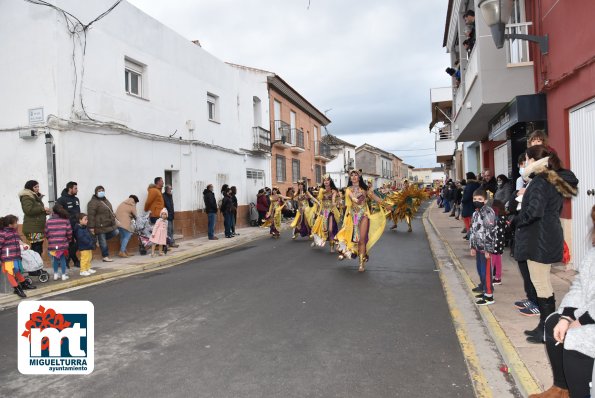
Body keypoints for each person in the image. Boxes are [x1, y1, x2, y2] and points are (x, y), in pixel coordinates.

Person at [514, 145, 579, 344]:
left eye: (527, 159)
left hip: (538, 240)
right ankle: (545, 325)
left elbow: (534, 211)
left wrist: (515, 221)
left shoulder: (541, 180)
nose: (525, 164)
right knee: (542, 284)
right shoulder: (551, 178)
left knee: (541, 284)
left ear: (533, 160)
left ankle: (548, 329)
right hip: (545, 237)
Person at [529, 205, 595, 398]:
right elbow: (580, 286)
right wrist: (567, 317)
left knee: (578, 339)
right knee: (552, 322)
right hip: (590, 312)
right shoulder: (592, 255)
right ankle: (561, 389)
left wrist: (581, 321)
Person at [336, 170, 387, 272]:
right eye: (352, 175)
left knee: (362, 239)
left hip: (363, 215)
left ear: (359, 177)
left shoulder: (365, 189)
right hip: (352, 218)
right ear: (350, 178)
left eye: (356, 175)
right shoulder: (348, 190)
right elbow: (353, 198)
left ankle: (361, 263)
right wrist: (359, 196)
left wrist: (387, 206)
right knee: (352, 238)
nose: (354, 177)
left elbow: (375, 198)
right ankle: (347, 252)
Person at [469, 189, 497, 305]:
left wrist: (488, 249)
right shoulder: (475, 213)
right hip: (478, 247)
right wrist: (472, 246)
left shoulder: (488, 213)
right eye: (475, 199)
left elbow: (490, 232)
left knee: (486, 272)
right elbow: (473, 230)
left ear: (485, 200)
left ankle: (489, 296)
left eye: (479, 199)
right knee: (480, 270)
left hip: (486, 248)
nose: (477, 201)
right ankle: (485, 289)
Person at [0, 215, 36, 297]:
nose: (17, 224)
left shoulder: (14, 231)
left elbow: (18, 241)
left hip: (16, 255)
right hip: (7, 256)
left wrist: (23, 245)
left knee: (17, 270)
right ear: (10, 224)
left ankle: (23, 284)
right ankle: (17, 288)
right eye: (16, 222)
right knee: (10, 272)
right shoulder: (3, 233)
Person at [87, 186, 119, 262]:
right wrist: (91, 227)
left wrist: (113, 216)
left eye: (102, 190)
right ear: (96, 192)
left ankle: (99, 240)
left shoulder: (106, 200)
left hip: (108, 224)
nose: (101, 192)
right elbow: (91, 215)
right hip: (99, 226)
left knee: (116, 232)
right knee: (103, 241)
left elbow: (109, 210)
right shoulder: (92, 202)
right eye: (99, 191)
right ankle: (105, 256)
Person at [19, 180, 50, 256]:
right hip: (32, 228)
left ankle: (36, 266)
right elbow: (28, 211)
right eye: (35, 187)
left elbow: (36, 212)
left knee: (37, 246)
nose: (37, 188)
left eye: (38, 186)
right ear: (30, 188)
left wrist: (45, 213)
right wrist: (42, 209)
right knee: (37, 248)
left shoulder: (34, 197)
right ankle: (35, 267)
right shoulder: (27, 197)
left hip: (36, 227)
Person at [311, 175, 340, 252]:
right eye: (324, 180)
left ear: (330, 181)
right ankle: (317, 240)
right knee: (322, 228)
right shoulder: (321, 190)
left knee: (330, 229)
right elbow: (319, 197)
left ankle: (331, 246)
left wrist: (334, 202)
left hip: (331, 211)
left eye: (327, 180)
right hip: (324, 212)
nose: (326, 181)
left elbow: (335, 198)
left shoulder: (334, 190)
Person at [45, 204, 73, 281]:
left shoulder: (49, 221)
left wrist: (51, 240)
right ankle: (63, 275)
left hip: (53, 244)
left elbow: (46, 233)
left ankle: (55, 275)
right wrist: (69, 240)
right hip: (62, 243)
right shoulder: (65, 220)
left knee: (55, 259)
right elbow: (69, 232)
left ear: (53, 211)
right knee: (62, 259)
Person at [57, 181, 81, 268]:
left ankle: (68, 259)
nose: (77, 190)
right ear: (70, 189)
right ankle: (73, 261)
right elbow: (58, 211)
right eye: (75, 188)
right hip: (67, 226)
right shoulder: (61, 200)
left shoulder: (76, 199)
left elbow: (78, 212)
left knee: (80, 242)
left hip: (77, 225)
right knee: (69, 244)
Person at [491, 200, 507, 285]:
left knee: (491, 260)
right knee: (498, 260)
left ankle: (489, 278)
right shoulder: (503, 216)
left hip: (494, 241)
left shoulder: (494, 218)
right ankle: (498, 277)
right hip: (501, 241)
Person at [461, 172, 481, 239]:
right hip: (474, 205)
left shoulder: (470, 185)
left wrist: (463, 200)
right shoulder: (477, 184)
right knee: (472, 222)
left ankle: (470, 236)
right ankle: (470, 235)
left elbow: (467, 196)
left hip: (468, 206)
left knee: (468, 222)